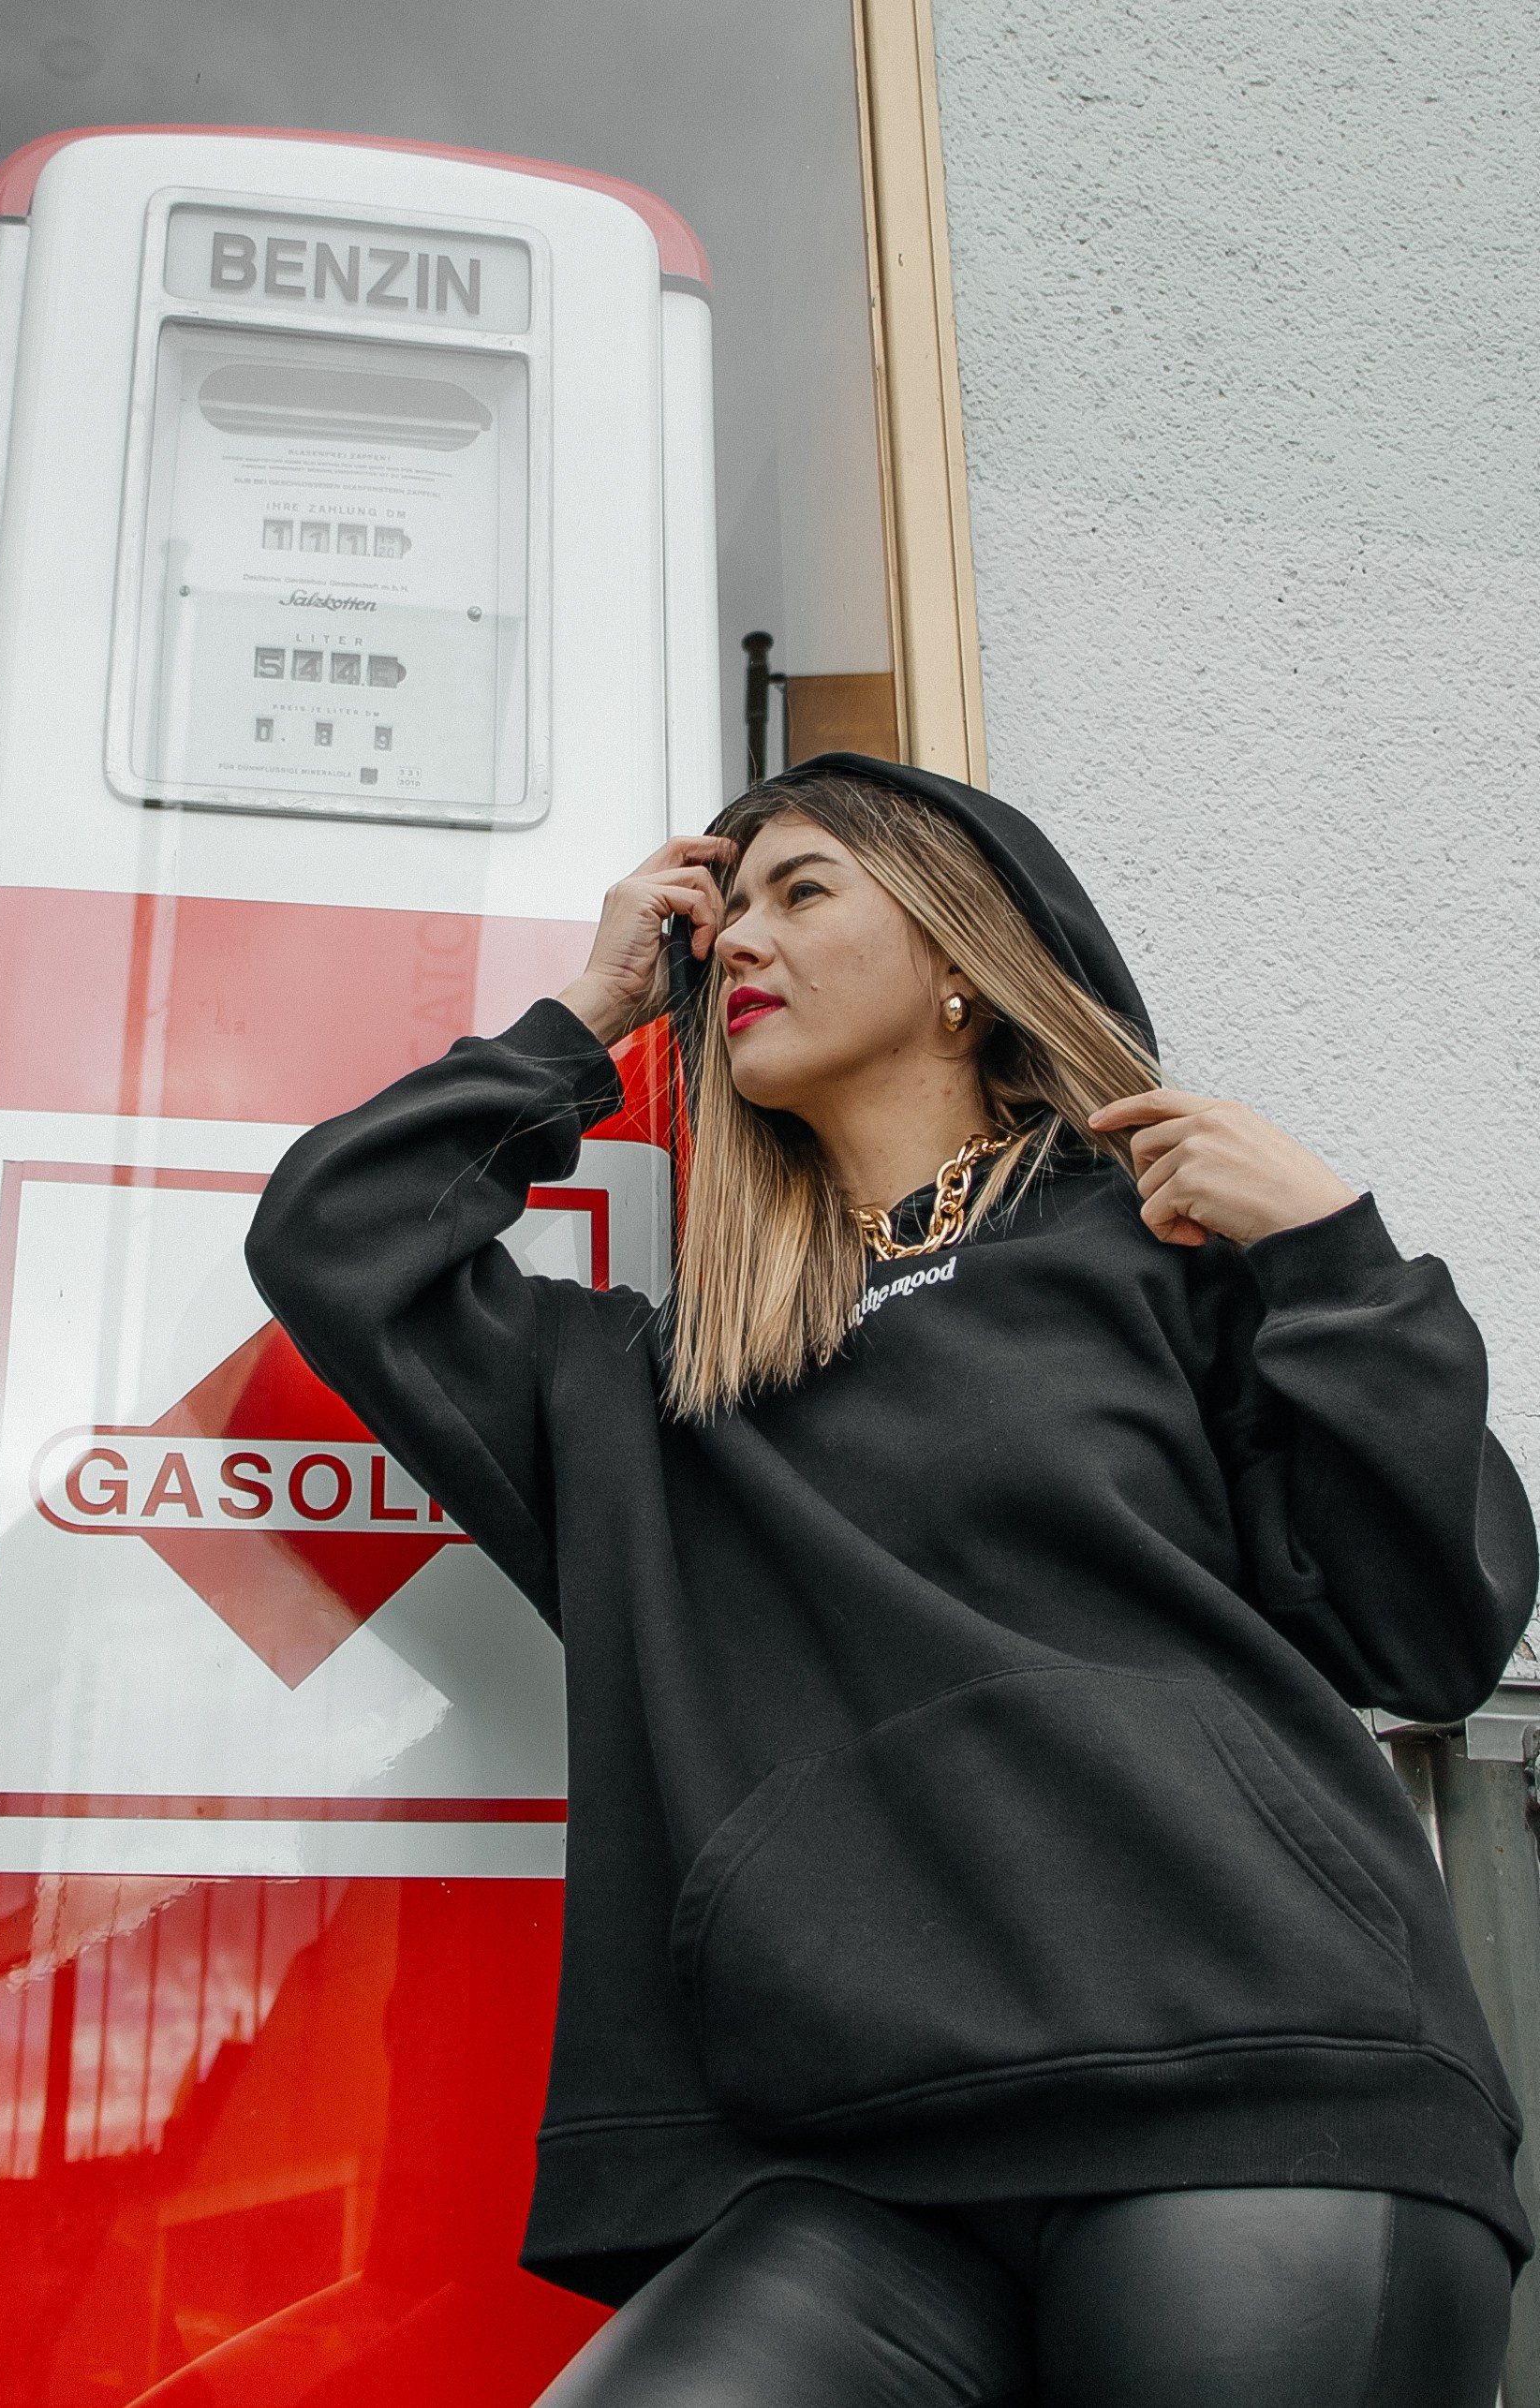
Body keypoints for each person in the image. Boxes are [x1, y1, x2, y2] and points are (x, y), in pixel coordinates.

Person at [245, 754, 1536, 2406]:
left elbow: (1427, 1631)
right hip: (852, 2160)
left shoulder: (1163, 1253)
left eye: (805, 891)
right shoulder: (657, 1394)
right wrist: (591, 1008)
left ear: (955, 968)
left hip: (1256, 2080)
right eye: (728, 920)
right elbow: (338, 1235)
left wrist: (1337, 1261)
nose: (741, 946)